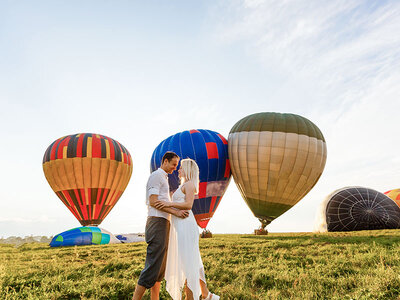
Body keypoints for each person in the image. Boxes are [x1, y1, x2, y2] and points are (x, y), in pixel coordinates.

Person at [154, 158, 220, 300]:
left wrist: (167, 203)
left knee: (187, 262)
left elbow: (188, 205)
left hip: (185, 224)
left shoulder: (189, 185)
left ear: (188, 170)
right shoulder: (185, 185)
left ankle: (192, 296)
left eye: (181, 168)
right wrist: (168, 206)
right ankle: (206, 294)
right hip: (181, 224)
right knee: (192, 260)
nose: (178, 170)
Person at [132, 152, 189, 300]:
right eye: (173, 164)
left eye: (177, 165)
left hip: (163, 222)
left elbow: (161, 202)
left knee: (160, 267)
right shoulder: (156, 176)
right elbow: (153, 201)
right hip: (156, 222)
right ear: (165, 161)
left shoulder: (164, 177)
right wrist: (175, 212)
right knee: (153, 265)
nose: (175, 168)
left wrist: (173, 212)